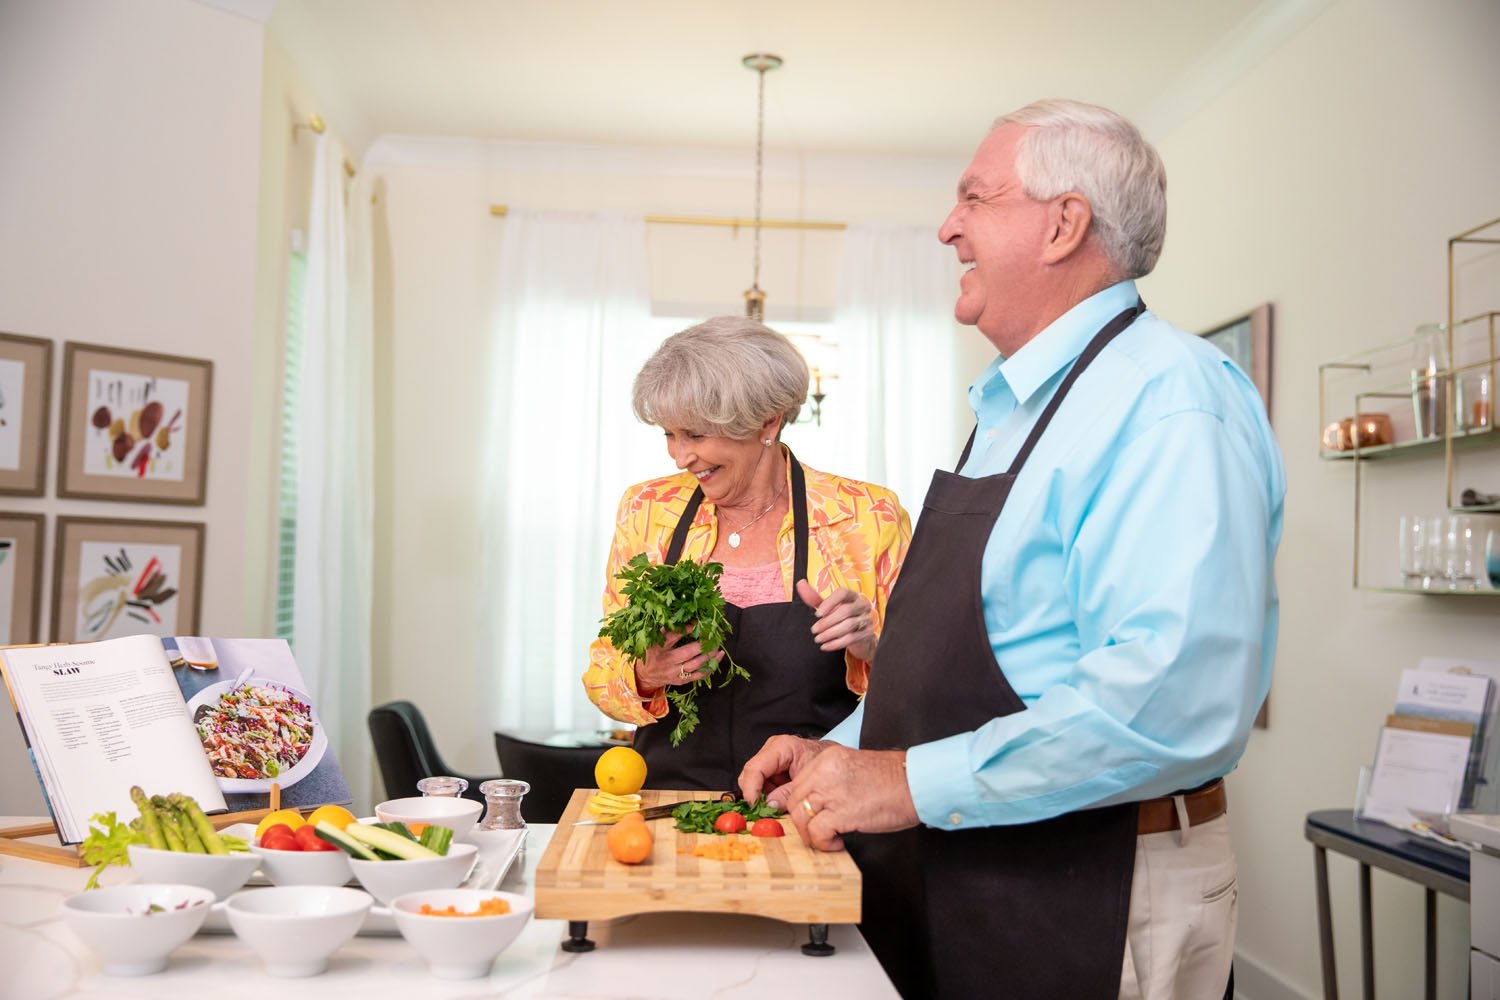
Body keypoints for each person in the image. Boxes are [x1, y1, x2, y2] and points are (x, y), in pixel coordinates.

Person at [739, 99, 1285, 1000]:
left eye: (975, 199)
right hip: (967, 872)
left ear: (1065, 223)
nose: (947, 226)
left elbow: (1167, 698)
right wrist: (843, 749)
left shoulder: (1170, 399)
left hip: (1093, 879)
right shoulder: (1012, 411)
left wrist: (902, 782)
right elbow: (974, 661)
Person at [583, 316, 911, 793]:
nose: (679, 456)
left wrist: (872, 649)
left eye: (695, 435)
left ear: (768, 422)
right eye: (669, 435)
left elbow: (920, 693)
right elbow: (602, 672)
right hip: (669, 801)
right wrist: (644, 672)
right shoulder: (649, 510)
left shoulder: (865, 517)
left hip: (808, 798)